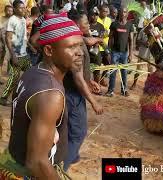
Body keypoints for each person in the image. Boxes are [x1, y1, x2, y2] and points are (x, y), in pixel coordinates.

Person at [0, 13, 83, 179]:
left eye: (80, 45)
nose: (80, 52)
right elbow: (37, 163)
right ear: (49, 50)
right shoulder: (51, 94)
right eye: (71, 47)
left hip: (11, 161)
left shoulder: (34, 72)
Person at [63, 11, 103, 171]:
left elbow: (80, 73)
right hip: (72, 94)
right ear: (77, 24)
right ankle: (61, 168)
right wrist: (94, 102)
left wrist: (90, 80)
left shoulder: (78, 39)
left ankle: (71, 156)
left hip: (72, 91)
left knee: (69, 129)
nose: (89, 24)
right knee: (78, 133)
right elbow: (77, 78)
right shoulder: (76, 44)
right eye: (86, 22)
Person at [0, 1, 31, 106]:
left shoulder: (23, 19)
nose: (24, 10)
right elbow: (8, 38)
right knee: (14, 77)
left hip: (24, 53)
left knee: (30, 73)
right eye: (21, 8)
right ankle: (3, 98)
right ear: (15, 9)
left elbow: (23, 37)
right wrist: (13, 55)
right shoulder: (12, 20)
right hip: (16, 55)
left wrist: (30, 47)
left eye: (24, 8)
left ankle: (24, 95)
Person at [105, 7, 134, 97]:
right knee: (113, 71)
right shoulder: (114, 24)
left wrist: (130, 54)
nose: (123, 14)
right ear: (119, 13)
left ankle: (124, 90)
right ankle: (110, 90)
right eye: (121, 12)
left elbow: (131, 40)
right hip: (114, 52)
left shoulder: (130, 25)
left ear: (127, 14)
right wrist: (108, 51)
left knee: (124, 72)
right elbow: (110, 38)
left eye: (125, 12)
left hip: (124, 53)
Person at [88, 9, 105, 84]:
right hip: (87, 50)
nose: (95, 16)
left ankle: (96, 86)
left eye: (96, 15)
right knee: (86, 70)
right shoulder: (87, 25)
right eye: (93, 14)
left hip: (96, 51)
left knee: (97, 70)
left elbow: (101, 39)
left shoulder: (100, 26)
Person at [97, 4, 112, 86]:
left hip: (105, 46)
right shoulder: (96, 19)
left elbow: (109, 33)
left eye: (107, 12)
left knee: (108, 63)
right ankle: (97, 82)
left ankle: (102, 78)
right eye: (104, 11)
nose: (105, 13)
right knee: (98, 65)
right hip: (97, 46)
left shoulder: (109, 20)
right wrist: (104, 33)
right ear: (100, 11)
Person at [0, 5, 13, 79]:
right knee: (1, 58)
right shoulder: (1, 18)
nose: (9, 12)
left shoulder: (13, 20)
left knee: (9, 58)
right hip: (2, 42)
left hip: (10, 42)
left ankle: (8, 74)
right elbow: (1, 32)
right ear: (5, 11)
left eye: (11, 11)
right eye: (8, 10)